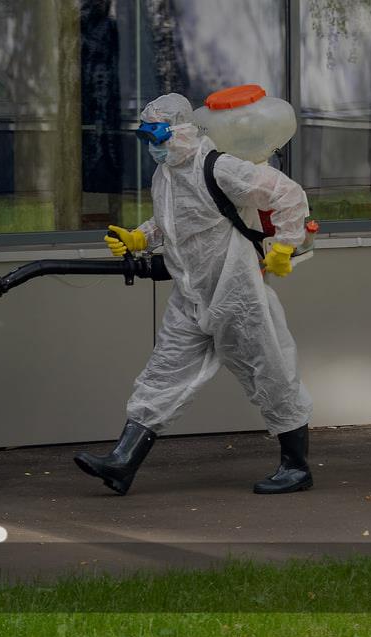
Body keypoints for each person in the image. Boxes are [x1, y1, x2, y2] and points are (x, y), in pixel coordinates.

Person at [73, 92, 313, 496]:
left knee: (271, 373)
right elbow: (171, 220)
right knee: (163, 373)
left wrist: (285, 246)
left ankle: (296, 467)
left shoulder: (218, 167)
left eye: (156, 135)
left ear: (182, 130)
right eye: (144, 136)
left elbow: (287, 194)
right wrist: (139, 238)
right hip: (191, 295)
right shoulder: (165, 174)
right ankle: (122, 461)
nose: (151, 145)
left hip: (238, 294)